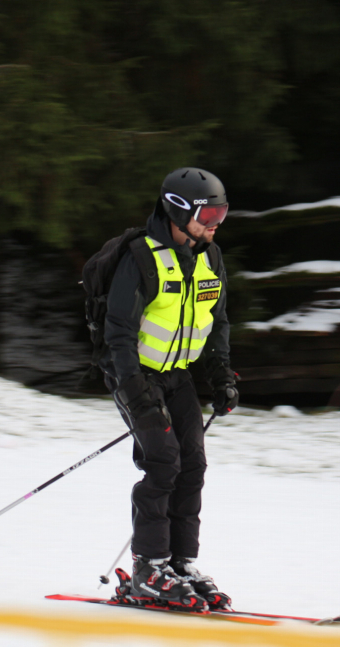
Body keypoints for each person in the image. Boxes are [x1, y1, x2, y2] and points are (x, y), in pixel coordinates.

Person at [100, 167, 240, 611]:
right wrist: (136, 390)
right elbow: (118, 332)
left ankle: (179, 564)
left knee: (193, 465)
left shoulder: (209, 256)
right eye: (210, 212)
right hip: (135, 373)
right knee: (163, 463)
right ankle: (148, 568)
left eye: (223, 211)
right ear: (179, 210)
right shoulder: (141, 258)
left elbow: (216, 321)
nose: (217, 221)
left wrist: (220, 376)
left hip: (176, 374)